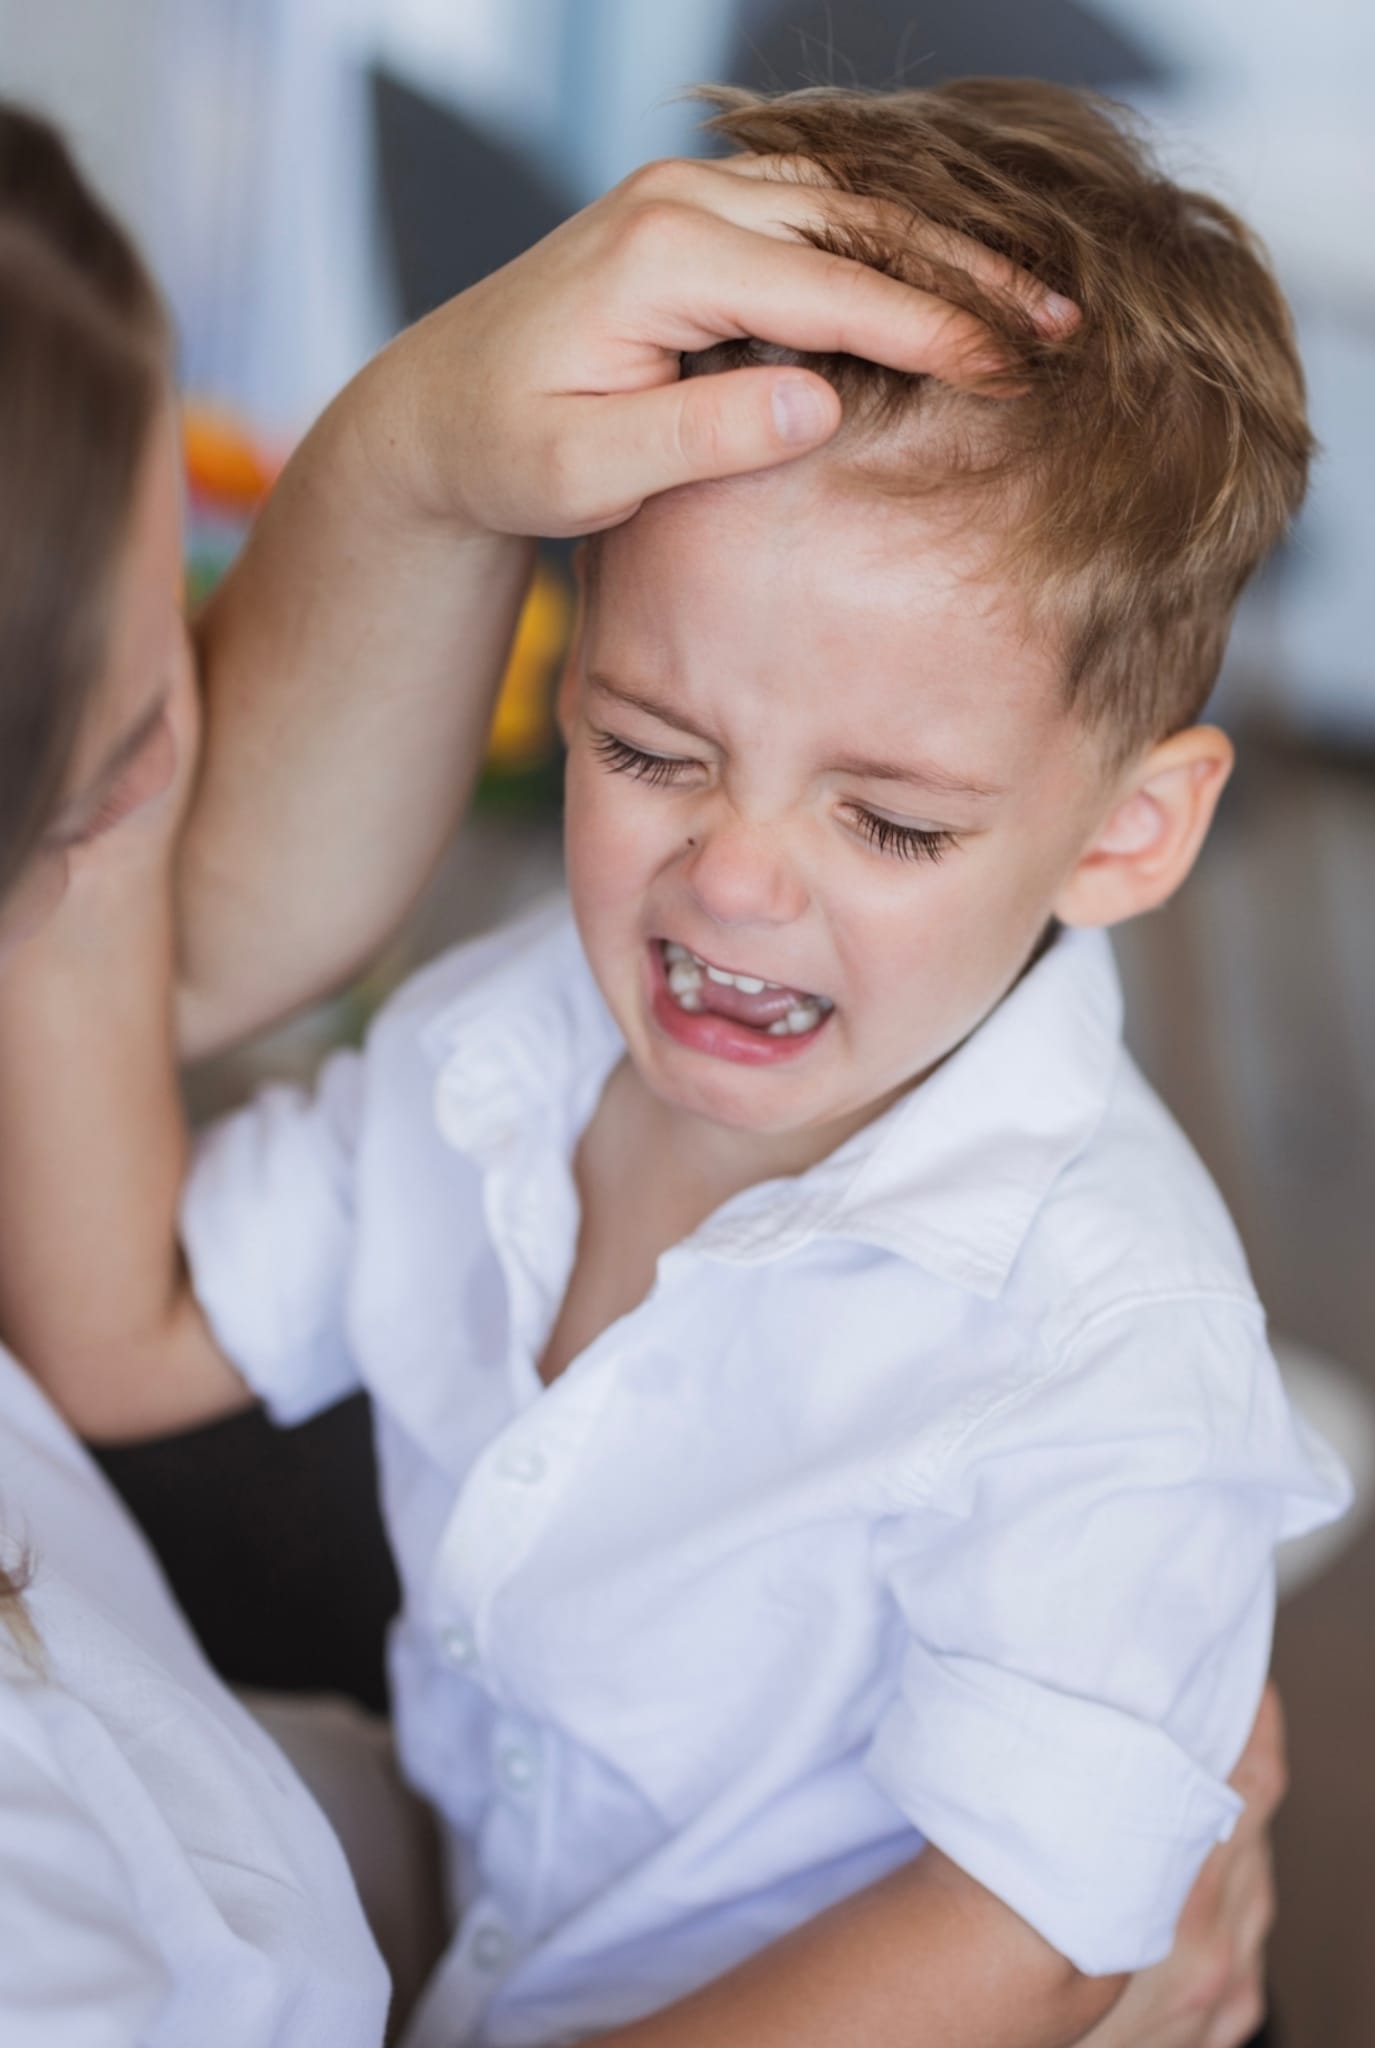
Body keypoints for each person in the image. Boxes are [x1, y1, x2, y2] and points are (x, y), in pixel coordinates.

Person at [0, 102, 1287, 2048]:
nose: (736, 877)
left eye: (895, 823)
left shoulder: (1100, 1328)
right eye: (650, 751)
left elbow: (1029, 1931)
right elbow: (133, 1335)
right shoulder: (497, 1046)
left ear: (1125, 833)